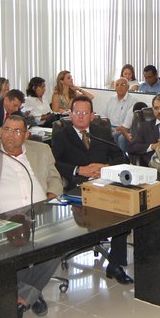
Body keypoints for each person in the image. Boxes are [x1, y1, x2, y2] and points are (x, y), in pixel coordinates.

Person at [0, 115, 63, 318]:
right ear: (1, 131)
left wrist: (50, 197)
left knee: (59, 244)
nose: (10, 135)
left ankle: (21, 297)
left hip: (38, 216)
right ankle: (30, 294)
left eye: (17, 131)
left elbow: (55, 178)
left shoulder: (41, 150)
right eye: (7, 129)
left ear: (26, 135)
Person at [50, 96, 133, 284]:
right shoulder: (61, 134)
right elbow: (54, 163)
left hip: (105, 181)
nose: (80, 117)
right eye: (76, 112)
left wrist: (104, 167)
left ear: (92, 115)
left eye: (84, 113)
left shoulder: (101, 131)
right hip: (78, 186)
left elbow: (121, 157)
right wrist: (79, 170)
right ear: (70, 114)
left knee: (125, 210)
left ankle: (115, 264)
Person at [102, 78, 137, 151]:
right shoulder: (110, 99)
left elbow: (128, 124)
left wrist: (114, 130)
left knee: (119, 137)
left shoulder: (133, 101)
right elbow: (104, 117)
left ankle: (120, 160)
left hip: (125, 130)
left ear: (127, 87)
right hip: (109, 128)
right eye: (117, 85)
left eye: (123, 85)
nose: (120, 87)